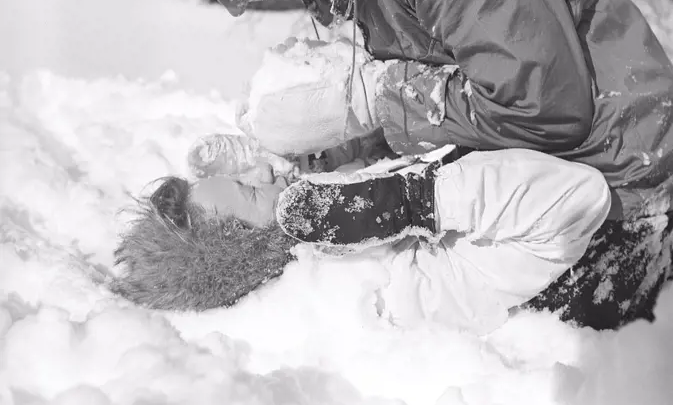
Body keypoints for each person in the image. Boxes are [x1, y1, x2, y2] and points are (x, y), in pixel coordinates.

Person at [122, 0, 673, 323]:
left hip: (619, 182)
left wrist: (378, 104)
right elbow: (441, 71)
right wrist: (326, 153)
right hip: (539, 175)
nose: (238, 6)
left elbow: (544, 107)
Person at [114, 133, 616, 333]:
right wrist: (413, 203)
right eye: (248, 191)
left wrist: (309, 162)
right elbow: (577, 200)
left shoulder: (315, 238)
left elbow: (362, 172)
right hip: (631, 226)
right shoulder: (392, 291)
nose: (264, 177)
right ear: (252, 253)